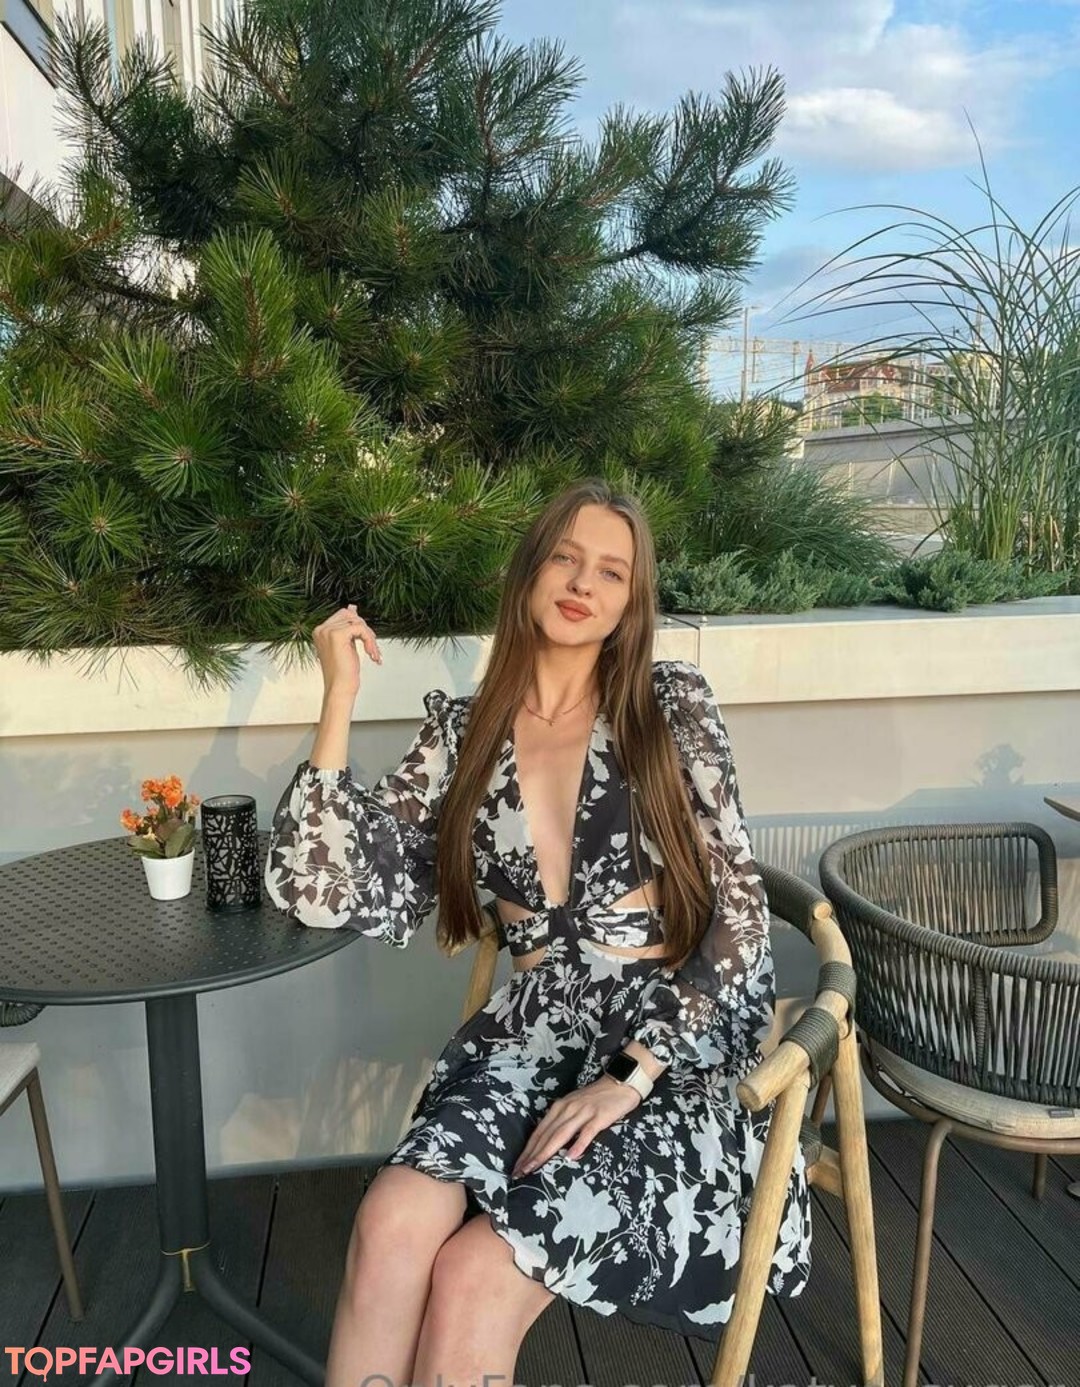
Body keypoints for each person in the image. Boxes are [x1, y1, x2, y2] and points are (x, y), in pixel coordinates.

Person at [264, 478, 811, 1386]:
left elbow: (742, 919)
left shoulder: (670, 706)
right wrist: (339, 699)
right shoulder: (462, 732)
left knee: (474, 1277)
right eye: (565, 556)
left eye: (611, 571)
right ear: (529, 570)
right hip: (532, 1039)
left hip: (671, 1052)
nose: (583, 582)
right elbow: (320, 889)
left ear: (631, 601)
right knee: (391, 1222)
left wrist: (629, 1075)